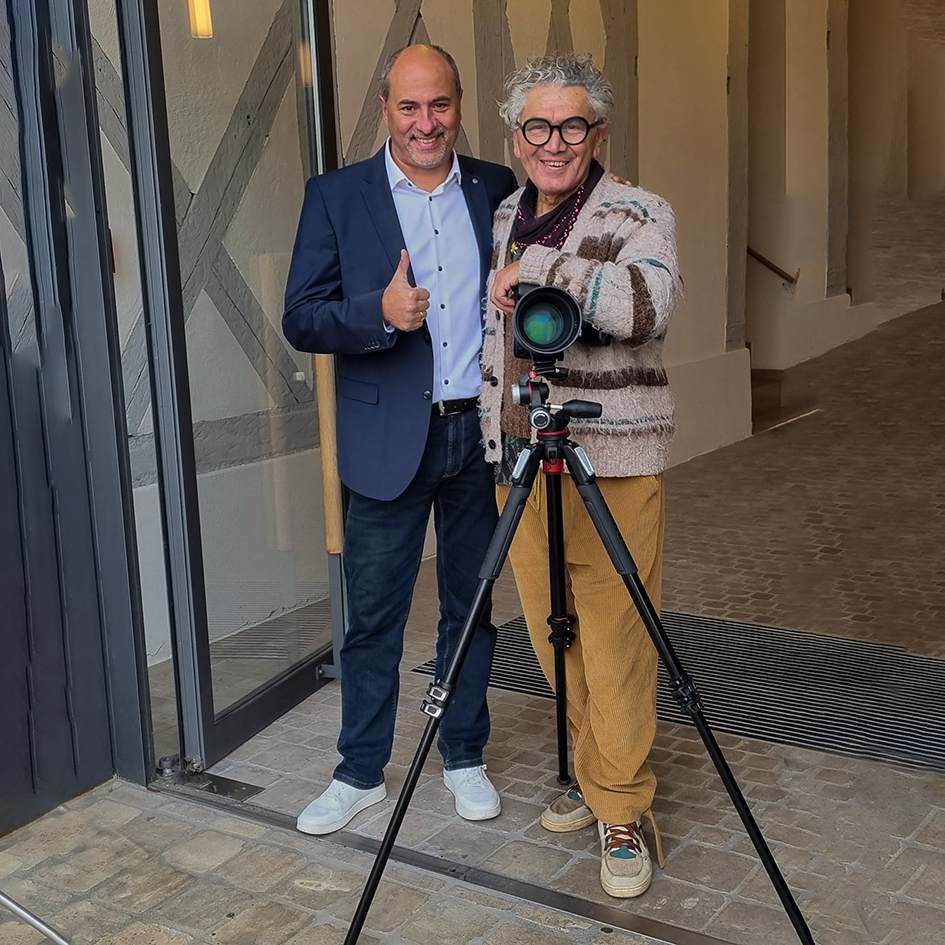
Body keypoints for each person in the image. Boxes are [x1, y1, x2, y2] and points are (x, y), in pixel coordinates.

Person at [283, 44, 518, 835]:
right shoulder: (336, 196)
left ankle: (463, 754)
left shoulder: (494, 187)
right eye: (409, 106)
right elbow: (301, 316)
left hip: (476, 436)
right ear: (384, 109)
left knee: (471, 606)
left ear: (459, 105)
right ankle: (358, 771)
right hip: (385, 441)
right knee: (374, 617)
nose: (426, 122)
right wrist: (376, 315)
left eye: (439, 104)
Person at [479, 54, 682, 898]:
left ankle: (622, 806)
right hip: (522, 456)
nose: (553, 142)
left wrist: (536, 269)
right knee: (548, 632)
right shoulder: (504, 212)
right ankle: (593, 772)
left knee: (615, 635)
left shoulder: (641, 210)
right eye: (537, 125)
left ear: (596, 135)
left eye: (571, 126)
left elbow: (643, 306)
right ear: (515, 136)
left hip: (613, 459)